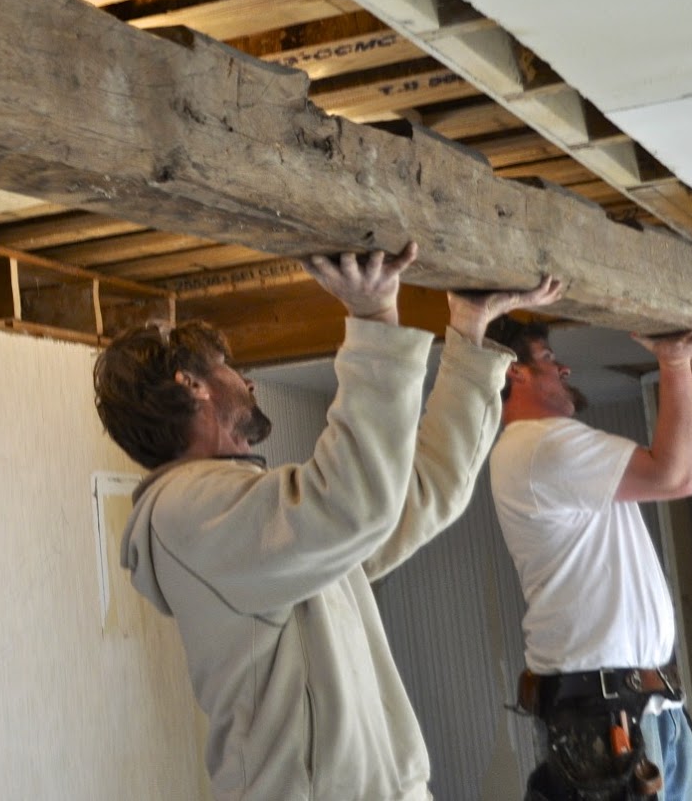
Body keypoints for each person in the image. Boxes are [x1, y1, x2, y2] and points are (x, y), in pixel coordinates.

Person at [93, 241, 562, 801]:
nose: (249, 382)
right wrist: (373, 321)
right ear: (190, 384)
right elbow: (354, 503)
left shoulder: (249, 519)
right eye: (231, 369)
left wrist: (468, 332)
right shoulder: (184, 512)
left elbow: (417, 495)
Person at [485, 313, 692, 801]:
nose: (565, 370)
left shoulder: (550, 450)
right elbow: (676, 476)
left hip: (636, 708)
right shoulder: (539, 446)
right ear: (516, 372)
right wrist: (676, 360)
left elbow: (689, 471)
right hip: (607, 714)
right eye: (549, 359)